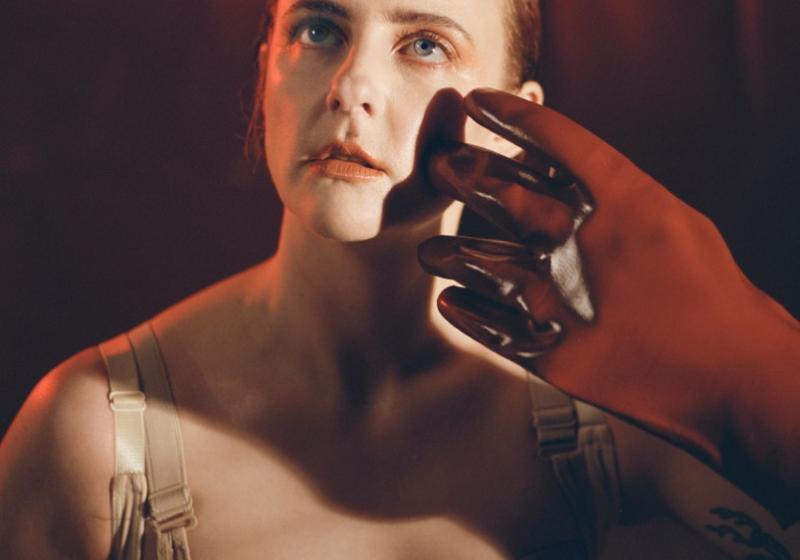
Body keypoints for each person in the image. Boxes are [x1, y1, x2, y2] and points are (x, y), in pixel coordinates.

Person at [0, 0, 797, 559]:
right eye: (317, 28)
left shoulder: (604, 416)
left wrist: (761, 373)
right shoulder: (93, 439)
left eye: (423, 44)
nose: (350, 88)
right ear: (264, 72)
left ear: (515, 123)